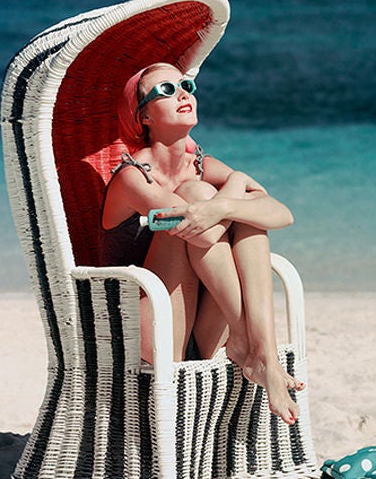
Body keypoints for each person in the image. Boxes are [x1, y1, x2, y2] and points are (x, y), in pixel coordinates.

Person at [100, 62, 304, 425]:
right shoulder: (133, 177)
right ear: (143, 116)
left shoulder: (201, 165)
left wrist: (227, 202)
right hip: (154, 322)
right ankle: (253, 344)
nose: (183, 94)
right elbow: (204, 231)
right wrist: (238, 186)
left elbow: (282, 214)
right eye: (166, 90)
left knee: (248, 221)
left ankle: (261, 353)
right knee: (210, 201)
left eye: (187, 85)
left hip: (209, 323)